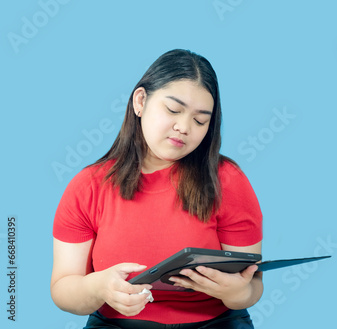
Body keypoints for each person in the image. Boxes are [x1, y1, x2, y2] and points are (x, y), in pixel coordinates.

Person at [51, 49, 263, 329]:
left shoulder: (228, 180)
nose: (184, 127)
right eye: (173, 110)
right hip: (117, 324)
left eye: (200, 120)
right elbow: (63, 288)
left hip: (216, 322)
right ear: (140, 101)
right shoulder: (88, 186)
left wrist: (239, 293)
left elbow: (252, 284)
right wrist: (98, 288)